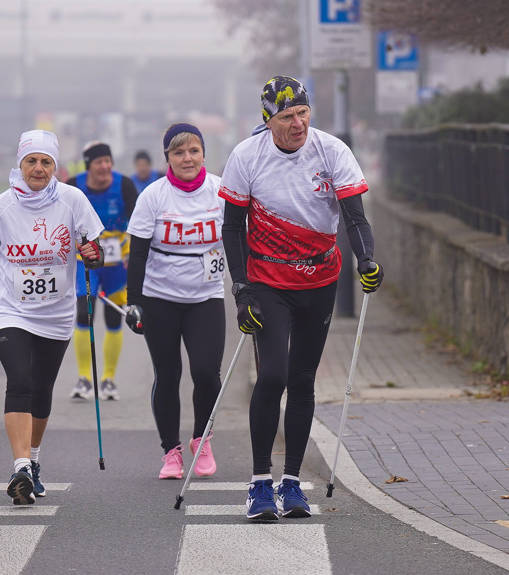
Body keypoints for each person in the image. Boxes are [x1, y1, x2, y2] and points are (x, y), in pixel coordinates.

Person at [218, 76, 384, 520]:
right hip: (268, 283)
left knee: (303, 379)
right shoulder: (246, 156)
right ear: (269, 120)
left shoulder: (331, 151)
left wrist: (366, 260)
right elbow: (232, 228)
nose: (298, 124)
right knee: (272, 375)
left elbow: (355, 218)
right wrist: (240, 289)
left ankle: (292, 483)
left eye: (303, 113)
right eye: (288, 116)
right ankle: (258, 484)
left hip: (319, 282)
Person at [0, 129, 104, 505]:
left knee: (43, 391)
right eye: (31, 161)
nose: (38, 168)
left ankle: (33, 462)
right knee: (20, 380)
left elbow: (95, 247)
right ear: (19, 164)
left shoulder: (72, 200)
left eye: (46, 161)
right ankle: (19, 467)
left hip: (56, 311)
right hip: (9, 309)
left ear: (55, 166)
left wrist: (93, 255)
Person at [124, 123, 226, 480]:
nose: (187, 158)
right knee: (168, 375)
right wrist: (133, 302)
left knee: (206, 374)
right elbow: (136, 254)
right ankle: (171, 452)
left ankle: (202, 439)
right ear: (167, 157)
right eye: (179, 152)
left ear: (203, 154)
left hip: (206, 297)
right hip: (160, 298)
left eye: (193, 151)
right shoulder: (153, 195)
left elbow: (240, 239)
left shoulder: (221, 191)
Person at [67, 142, 138, 401]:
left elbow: (139, 222)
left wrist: (134, 252)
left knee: (113, 318)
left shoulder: (124, 185)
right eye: (99, 162)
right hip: (85, 264)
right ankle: (85, 378)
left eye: (108, 160)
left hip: (117, 264)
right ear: (89, 166)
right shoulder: (74, 185)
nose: (105, 166)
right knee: (84, 315)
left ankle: (108, 379)